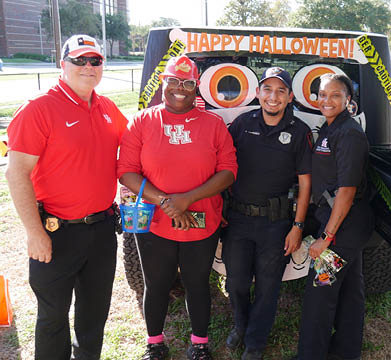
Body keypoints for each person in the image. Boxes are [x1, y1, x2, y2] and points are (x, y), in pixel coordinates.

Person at [5, 34, 128, 359]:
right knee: (52, 317)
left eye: (95, 61)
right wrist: (34, 233)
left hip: (102, 231)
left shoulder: (107, 107)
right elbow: (16, 174)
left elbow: (134, 145)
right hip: (55, 233)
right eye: (80, 60)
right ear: (63, 64)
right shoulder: (39, 109)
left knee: (93, 315)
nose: (89, 67)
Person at [117, 55, 237, 360]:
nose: (179, 88)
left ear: (196, 88)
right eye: (173, 80)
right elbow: (127, 170)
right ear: (163, 83)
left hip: (201, 219)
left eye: (188, 83)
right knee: (156, 283)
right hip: (156, 221)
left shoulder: (213, 124)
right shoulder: (142, 121)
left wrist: (188, 199)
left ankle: (199, 344)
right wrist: (167, 202)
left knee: (197, 283)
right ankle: (155, 343)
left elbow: (228, 169)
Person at [222, 67, 312, 360]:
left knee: (268, 286)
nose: (273, 97)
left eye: (280, 91)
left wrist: (298, 225)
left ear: (289, 97)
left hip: (277, 222)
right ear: (258, 92)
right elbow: (222, 165)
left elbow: (305, 182)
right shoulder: (240, 124)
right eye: (267, 90)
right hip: (238, 219)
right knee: (235, 281)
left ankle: (255, 343)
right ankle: (241, 325)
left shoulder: (299, 132)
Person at [295, 73, 374, 360]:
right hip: (344, 227)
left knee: (320, 293)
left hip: (343, 228)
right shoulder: (330, 129)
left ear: (348, 100)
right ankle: (347, 352)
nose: (328, 100)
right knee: (351, 291)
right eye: (323, 95)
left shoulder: (349, 134)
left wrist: (326, 238)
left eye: (336, 95)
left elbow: (347, 191)